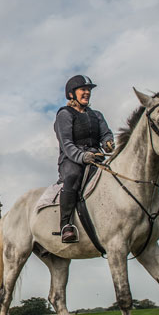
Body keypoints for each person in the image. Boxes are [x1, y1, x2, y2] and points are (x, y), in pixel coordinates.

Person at [54, 75, 115, 243]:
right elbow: (66, 143)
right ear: (72, 94)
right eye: (83, 89)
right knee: (73, 177)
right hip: (71, 160)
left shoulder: (96, 115)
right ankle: (66, 225)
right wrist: (82, 156)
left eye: (89, 90)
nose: (87, 92)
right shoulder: (64, 114)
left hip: (96, 157)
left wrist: (108, 143)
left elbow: (106, 133)